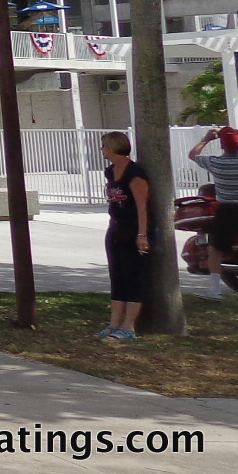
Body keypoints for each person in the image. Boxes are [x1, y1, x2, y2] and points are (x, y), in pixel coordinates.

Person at [99, 131, 151, 342]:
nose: (102, 150)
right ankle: (114, 324)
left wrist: (142, 234)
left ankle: (129, 327)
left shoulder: (135, 173)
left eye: (104, 146)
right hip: (115, 228)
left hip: (133, 229)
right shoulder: (110, 172)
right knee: (117, 276)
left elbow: (142, 206)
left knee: (132, 278)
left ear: (113, 147)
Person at [189, 126, 238, 297]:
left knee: (215, 250)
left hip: (227, 212)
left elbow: (192, 155)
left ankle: (215, 289)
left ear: (222, 146)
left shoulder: (216, 162)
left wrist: (206, 139)